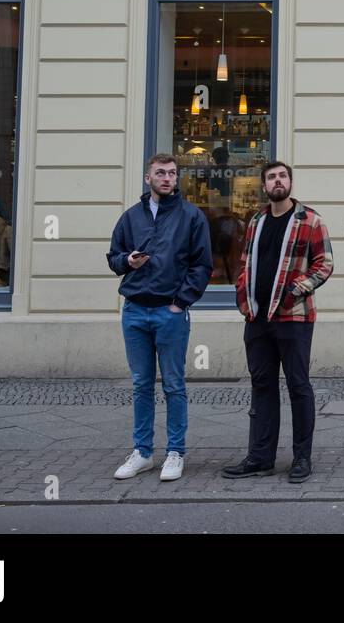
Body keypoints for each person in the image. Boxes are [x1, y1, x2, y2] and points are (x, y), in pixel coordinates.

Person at [222, 161, 333, 483]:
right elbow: (245, 263)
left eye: (282, 176)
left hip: (293, 317)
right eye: (271, 177)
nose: (277, 181)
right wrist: (243, 297)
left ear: (291, 183)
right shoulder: (256, 220)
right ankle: (260, 457)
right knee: (262, 387)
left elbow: (324, 264)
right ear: (264, 186)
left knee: (299, 386)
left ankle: (301, 458)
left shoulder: (310, 220)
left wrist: (295, 289)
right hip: (256, 318)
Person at [106, 154, 212, 482]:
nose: (167, 178)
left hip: (170, 312)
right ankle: (142, 452)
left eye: (172, 173)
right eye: (160, 173)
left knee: (174, 384)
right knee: (140, 384)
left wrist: (180, 303)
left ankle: (175, 452)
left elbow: (201, 265)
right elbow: (113, 257)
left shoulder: (191, 216)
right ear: (147, 178)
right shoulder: (130, 217)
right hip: (135, 310)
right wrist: (127, 261)